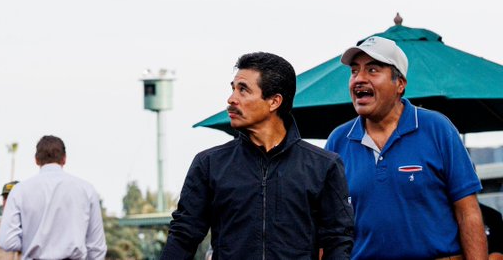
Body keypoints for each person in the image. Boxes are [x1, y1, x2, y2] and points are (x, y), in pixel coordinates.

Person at [162, 52, 354, 259]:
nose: (231, 99)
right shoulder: (209, 164)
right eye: (233, 89)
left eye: (243, 90)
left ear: (274, 102)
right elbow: (183, 236)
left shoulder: (324, 166)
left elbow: (338, 242)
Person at [324, 35, 487, 260]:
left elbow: (468, 213)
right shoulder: (338, 140)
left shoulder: (437, 128)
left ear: (399, 84)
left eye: (372, 70)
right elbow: (329, 225)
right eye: (354, 71)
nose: (359, 79)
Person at [0, 135, 107, 259]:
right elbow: (97, 248)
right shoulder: (86, 190)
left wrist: (30, 242)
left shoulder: (19, 191)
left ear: (36, 160)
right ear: (64, 159)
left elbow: (7, 241)